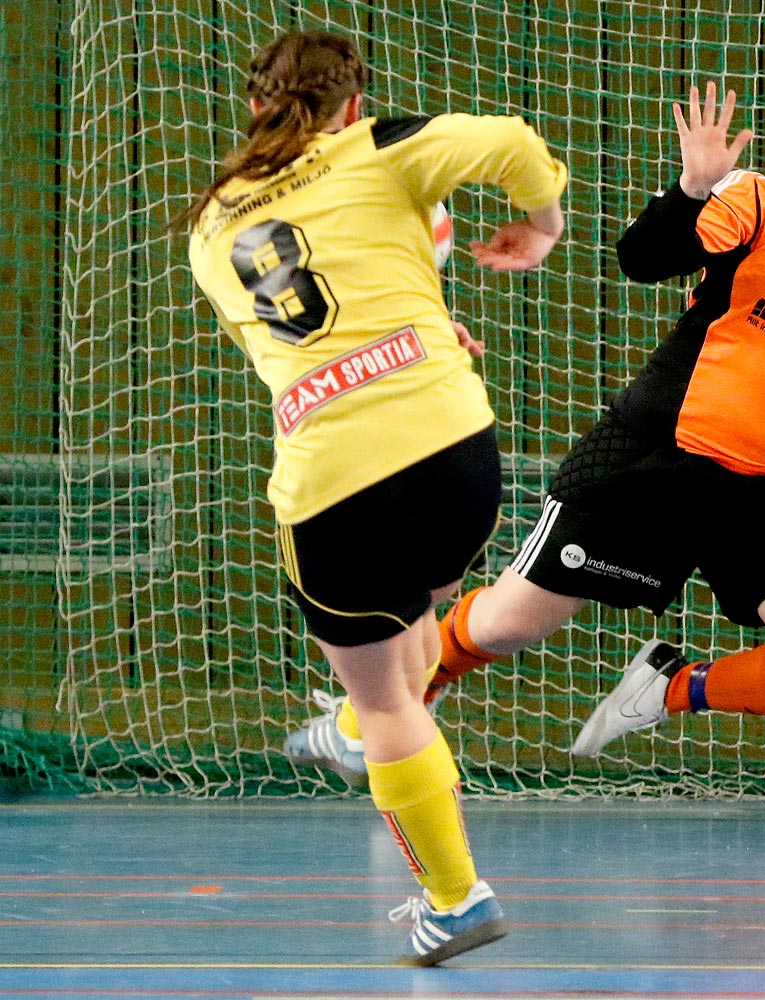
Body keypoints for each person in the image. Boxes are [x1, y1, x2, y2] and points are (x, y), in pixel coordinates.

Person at [291, 64, 765, 772]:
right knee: (508, 622)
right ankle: (365, 714)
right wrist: (693, 188)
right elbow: (642, 258)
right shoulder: (753, 202)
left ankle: (670, 687)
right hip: (659, 458)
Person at [187, 29, 566, 964]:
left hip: (337, 479)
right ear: (351, 103)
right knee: (419, 605)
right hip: (453, 449)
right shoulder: (380, 146)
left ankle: (454, 897)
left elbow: (300, 343)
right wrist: (540, 225)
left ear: (254, 105)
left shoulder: (207, 226)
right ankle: (359, 726)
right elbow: (516, 141)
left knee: (390, 692)